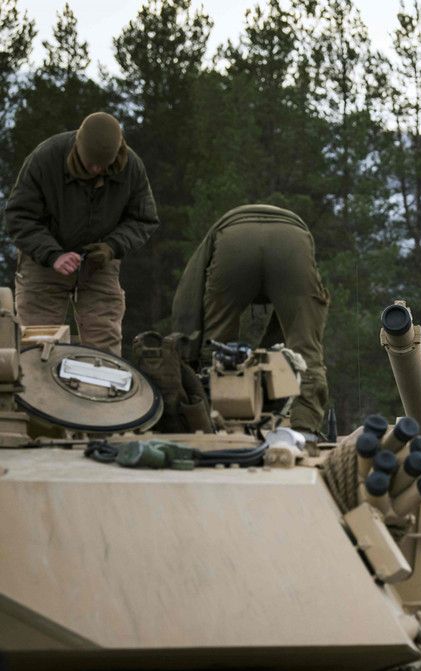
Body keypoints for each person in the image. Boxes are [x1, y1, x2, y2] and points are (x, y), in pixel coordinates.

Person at [4, 112, 159, 355]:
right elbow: (19, 216)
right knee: (36, 347)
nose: (96, 170)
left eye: (103, 165)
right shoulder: (46, 158)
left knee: (104, 346)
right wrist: (53, 254)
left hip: (99, 263)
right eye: (90, 164)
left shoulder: (131, 167)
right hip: (43, 261)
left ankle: (101, 379)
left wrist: (112, 247)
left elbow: (143, 219)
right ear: (77, 148)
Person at [171, 204, 329, 436]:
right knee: (306, 351)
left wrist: (187, 351)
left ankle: (217, 422)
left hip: (234, 239)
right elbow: (305, 318)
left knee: (217, 348)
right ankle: (304, 429)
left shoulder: (218, 232)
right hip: (292, 240)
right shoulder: (297, 233)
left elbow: (189, 291)